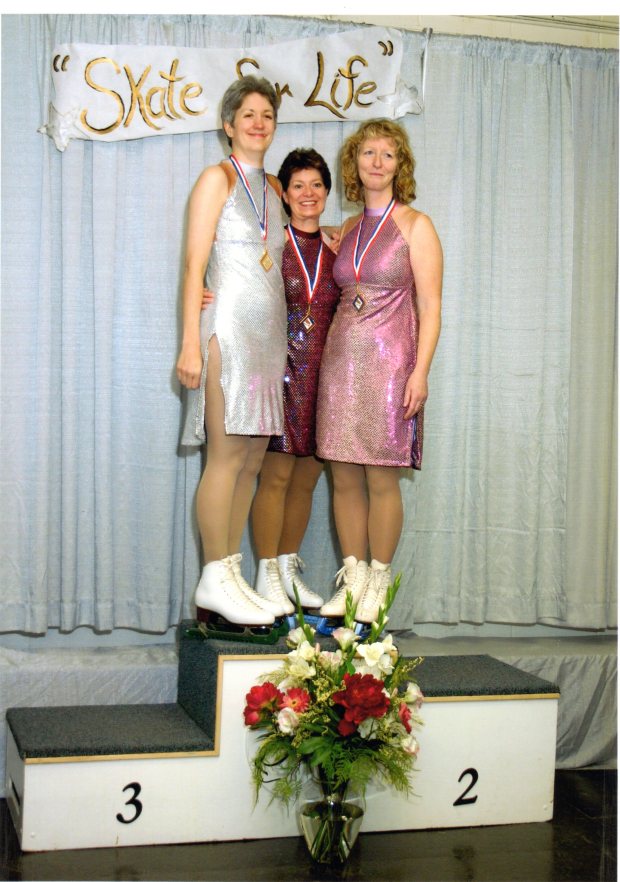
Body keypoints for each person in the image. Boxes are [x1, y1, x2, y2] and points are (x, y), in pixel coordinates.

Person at [316, 118, 443, 625]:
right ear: (355, 162)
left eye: (387, 154)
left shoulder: (416, 225)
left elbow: (431, 307)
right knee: (343, 477)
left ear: (399, 165)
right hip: (341, 362)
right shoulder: (346, 229)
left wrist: (420, 372)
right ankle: (353, 582)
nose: (377, 161)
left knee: (382, 478)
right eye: (368, 152)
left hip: (391, 367)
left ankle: (379, 580)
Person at [176, 76, 287, 631]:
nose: (258, 123)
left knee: (251, 461)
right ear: (228, 125)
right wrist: (189, 343)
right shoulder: (215, 179)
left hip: (269, 340)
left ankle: (231, 573)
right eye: (248, 114)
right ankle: (212, 574)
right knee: (224, 457)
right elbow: (193, 266)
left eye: (267, 114)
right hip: (226, 334)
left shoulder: (275, 188)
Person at [250, 149, 340, 615]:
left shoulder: (340, 249)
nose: (308, 194)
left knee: (306, 479)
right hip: (280, 374)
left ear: (327, 192)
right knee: (277, 476)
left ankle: (287, 570)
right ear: (283, 193)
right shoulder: (269, 244)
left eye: (317, 185)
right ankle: (265, 574)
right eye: (298, 185)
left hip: (325, 379)